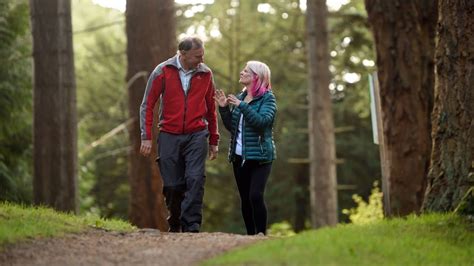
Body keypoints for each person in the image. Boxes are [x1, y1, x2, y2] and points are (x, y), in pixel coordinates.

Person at [139, 36, 219, 233]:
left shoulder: (206, 73)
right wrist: (146, 136)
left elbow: (211, 108)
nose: (201, 60)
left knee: (196, 178)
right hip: (169, 135)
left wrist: (214, 139)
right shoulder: (163, 71)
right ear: (182, 54)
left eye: (203, 55)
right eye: (197, 56)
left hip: (197, 134)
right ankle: (175, 222)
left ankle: (192, 227)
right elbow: (147, 105)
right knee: (173, 185)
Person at [214, 61, 277, 235]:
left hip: (261, 157)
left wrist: (242, 106)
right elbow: (233, 128)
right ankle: (250, 236)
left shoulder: (267, 98)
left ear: (256, 76)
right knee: (245, 199)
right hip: (239, 157)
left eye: (246, 71)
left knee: (255, 196)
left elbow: (262, 123)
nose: (241, 73)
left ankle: (261, 234)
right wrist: (224, 109)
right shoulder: (240, 97)